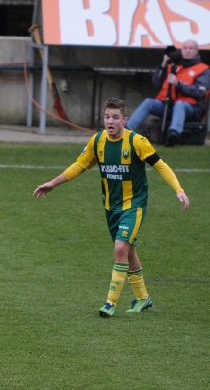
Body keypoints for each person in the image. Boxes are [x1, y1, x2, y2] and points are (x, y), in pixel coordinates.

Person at [34, 98, 189, 317]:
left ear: (125, 120)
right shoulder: (98, 141)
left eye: (115, 117)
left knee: (119, 249)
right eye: (107, 116)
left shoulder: (137, 142)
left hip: (134, 205)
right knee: (129, 250)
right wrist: (53, 183)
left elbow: (160, 165)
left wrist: (178, 189)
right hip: (111, 207)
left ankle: (110, 303)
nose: (110, 121)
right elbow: (80, 165)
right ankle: (143, 298)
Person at [125, 39, 209, 147]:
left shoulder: (203, 69)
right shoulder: (173, 66)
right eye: (185, 48)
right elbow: (156, 82)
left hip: (191, 108)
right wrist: (163, 65)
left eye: (191, 48)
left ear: (197, 51)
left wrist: (179, 84)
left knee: (180, 105)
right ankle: (126, 131)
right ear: (181, 50)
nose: (187, 51)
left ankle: (173, 133)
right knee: (148, 102)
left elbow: (200, 92)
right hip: (169, 105)